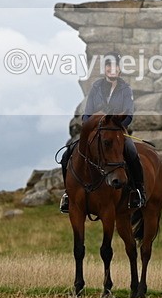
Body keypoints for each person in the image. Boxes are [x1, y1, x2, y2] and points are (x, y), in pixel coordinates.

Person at [59, 53, 145, 213]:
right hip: (94, 132)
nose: (112, 70)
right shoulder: (96, 87)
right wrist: (88, 123)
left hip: (117, 132)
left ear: (119, 70)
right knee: (67, 155)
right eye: (109, 66)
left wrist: (118, 125)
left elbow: (129, 113)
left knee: (132, 152)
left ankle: (137, 191)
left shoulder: (125, 89)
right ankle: (68, 194)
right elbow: (87, 112)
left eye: (115, 67)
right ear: (105, 69)